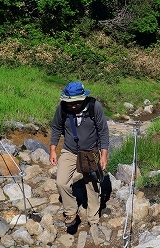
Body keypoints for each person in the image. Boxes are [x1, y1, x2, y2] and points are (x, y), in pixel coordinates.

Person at [49, 81, 110, 229]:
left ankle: (93, 219)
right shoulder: (62, 108)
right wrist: (52, 150)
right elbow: (56, 128)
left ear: (83, 98)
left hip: (91, 151)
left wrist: (103, 155)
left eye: (76, 103)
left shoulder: (94, 107)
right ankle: (71, 212)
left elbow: (103, 131)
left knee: (93, 184)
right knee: (61, 182)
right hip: (69, 150)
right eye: (70, 103)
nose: (73, 106)